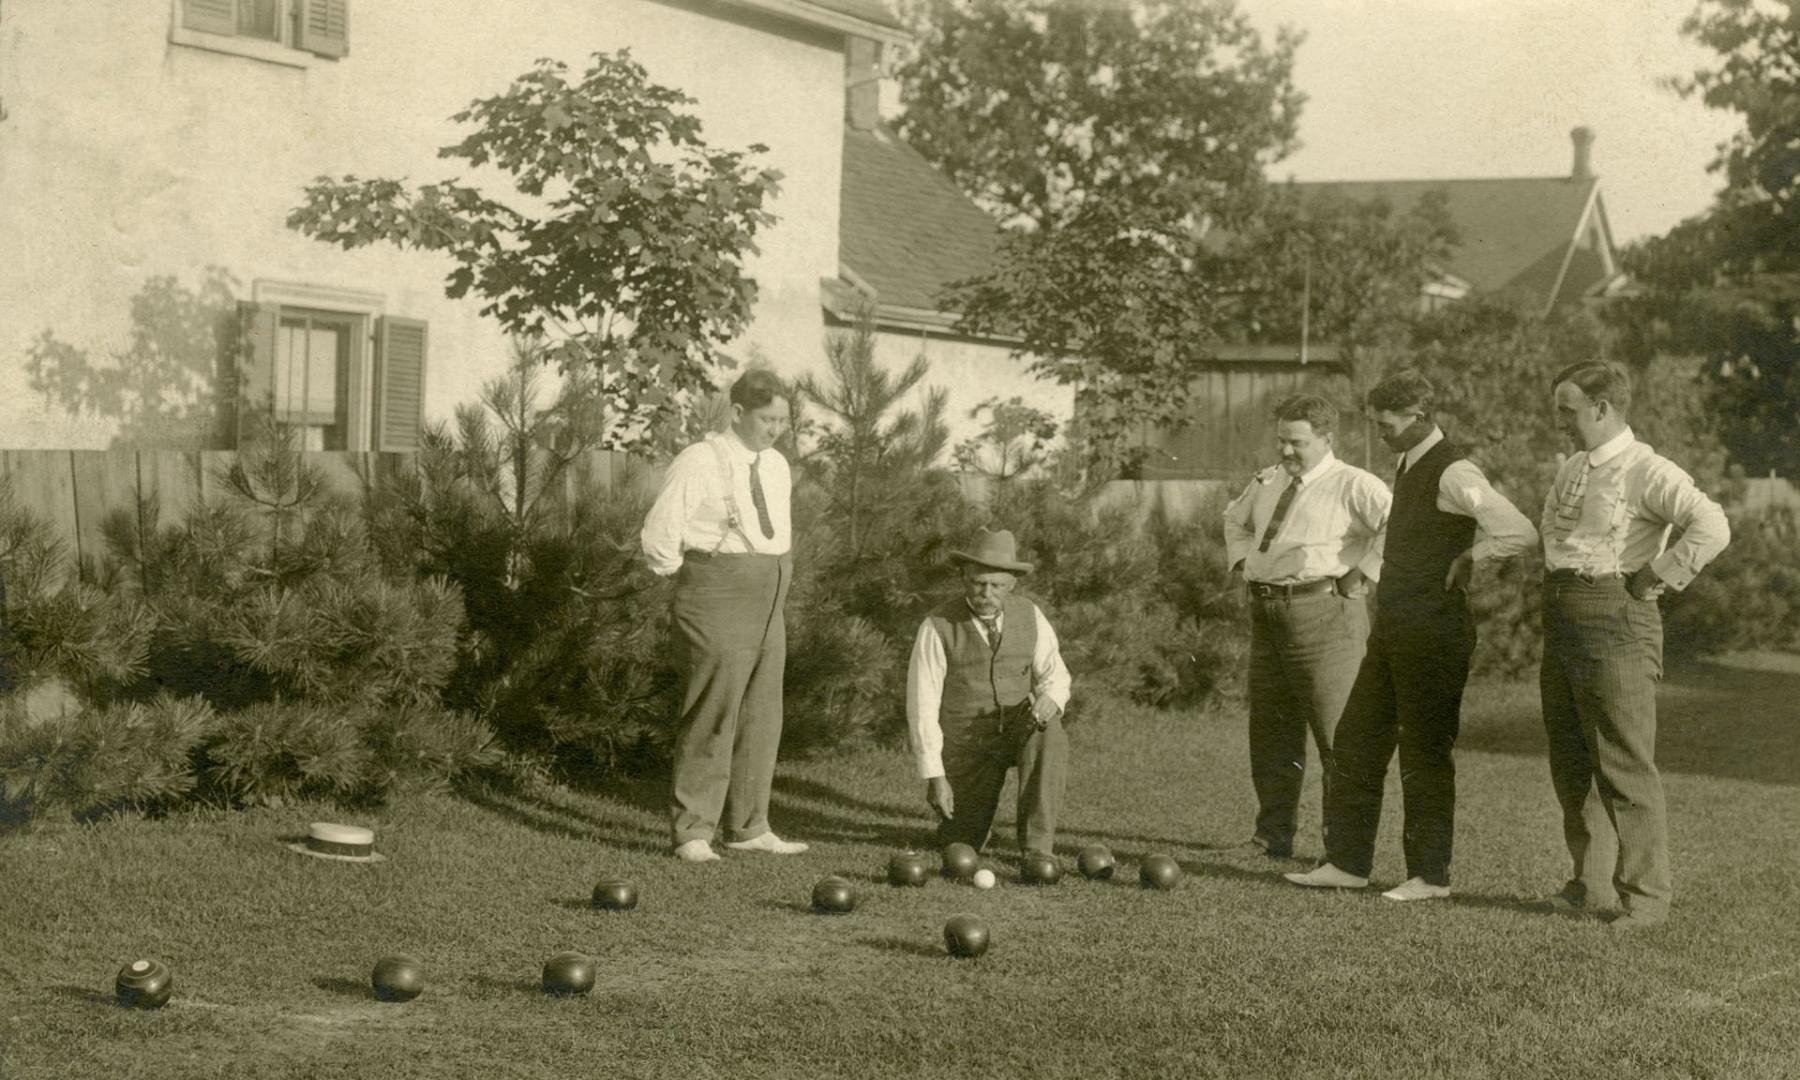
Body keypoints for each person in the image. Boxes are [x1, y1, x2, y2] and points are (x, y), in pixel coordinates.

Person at [1285, 370, 1537, 900]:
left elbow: (1518, 530)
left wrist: (1474, 556)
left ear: (1419, 417)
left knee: (1424, 753)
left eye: (1386, 424)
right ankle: (1348, 863)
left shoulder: (1454, 471)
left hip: (1436, 631)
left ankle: (1429, 876)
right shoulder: (1408, 462)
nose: (1379, 433)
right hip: (1396, 628)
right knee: (1356, 742)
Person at [1536, 360, 1728, 930]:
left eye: (1569, 410)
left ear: (1602, 407)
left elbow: (1711, 525)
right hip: (1564, 616)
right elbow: (1556, 535)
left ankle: (1646, 899)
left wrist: (1659, 572)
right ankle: (1588, 883)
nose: (1562, 422)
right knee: (1572, 759)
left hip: (1617, 619)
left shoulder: (1647, 469)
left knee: (1623, 760)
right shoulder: (1573, 466)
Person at [640, 369, 808, 863]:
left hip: (769, 596)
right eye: (766, 418)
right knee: (713, 713)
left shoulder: (776, 465)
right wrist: (700, 582)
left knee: (762, 716)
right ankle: (693, 831)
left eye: (783, 420)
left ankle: (749, 826)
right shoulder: (700, 459)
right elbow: (659, 535)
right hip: (717, 592)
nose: (775, 429)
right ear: (737, 413)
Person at [1222, 394, 1391, 859]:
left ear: (1327, 438)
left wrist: (1364, 572)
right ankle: (1272, 835)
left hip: (1326, 617)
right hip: (1269, 617)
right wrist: (1244, 562)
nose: (1286, 452)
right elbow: (1233, 521)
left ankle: (1343, 850)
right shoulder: (1269, 481)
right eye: (1281, 441)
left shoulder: (1354, 484)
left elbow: (1398, 525)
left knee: (1340, 737)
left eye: (1297, 443)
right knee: (1272, 734)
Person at [906, 528, 1072, 856]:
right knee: (961, 845)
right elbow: (922, 706)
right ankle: (972, 828)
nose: (986, 592)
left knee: (1049, 733)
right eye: (977, 583)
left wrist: (1049, 698)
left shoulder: (1030, 614)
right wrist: (935, 776)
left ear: (1011, 584)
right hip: (968, 746)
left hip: (1016, 730)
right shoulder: (937, 625)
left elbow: (1056, 673)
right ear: (963, 578)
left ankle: (1038, 849)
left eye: (996, 585)